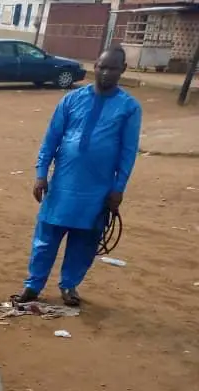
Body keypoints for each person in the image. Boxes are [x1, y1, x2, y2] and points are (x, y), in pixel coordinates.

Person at [14, 46, 142, 307]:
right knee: (45, 238)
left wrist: (118, 188)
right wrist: (41, 174)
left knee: (83, 243)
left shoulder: (129, 107)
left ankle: (69, 285)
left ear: (123, 70)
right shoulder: (71, 100)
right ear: (94, 67)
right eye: (102, 67)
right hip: (62, 186)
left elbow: (128, 152)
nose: (106, 73)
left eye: (113, 68)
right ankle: (33, 285)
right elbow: (51, 140)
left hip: (97, 190)